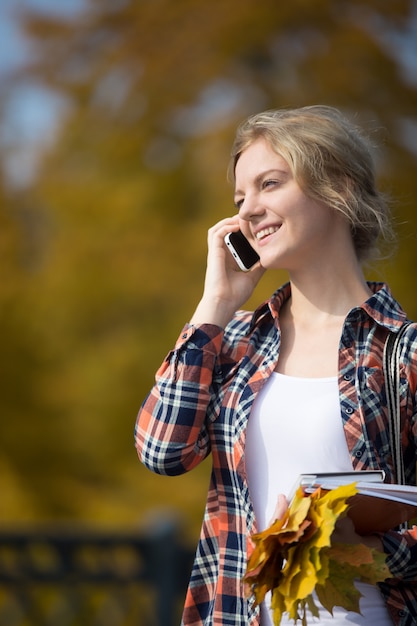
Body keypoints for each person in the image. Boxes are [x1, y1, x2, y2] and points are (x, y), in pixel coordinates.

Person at [134, 105, 417, 625]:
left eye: (269, 184)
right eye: (240, 197)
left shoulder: (404, 353)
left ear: (339, 186)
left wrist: (363, 550)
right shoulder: (236, 340)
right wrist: (215, 305)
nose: (248, 211)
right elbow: (161, 451)